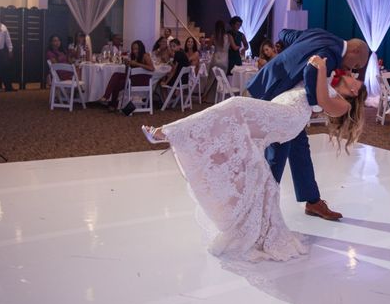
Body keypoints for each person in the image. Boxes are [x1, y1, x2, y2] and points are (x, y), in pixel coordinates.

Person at [141, 54, 366, 261]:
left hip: (288, 116)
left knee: (235, 105)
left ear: (355, 92)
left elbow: (322, 100)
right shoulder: (327, 81)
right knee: (241, 149)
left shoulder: (343, 104)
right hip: (278, 109)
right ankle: (250, 223)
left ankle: (168, 132)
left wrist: (322, 67)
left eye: (357, 82)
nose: (354, 77)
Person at [247, 28, 370, 221]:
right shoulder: (332, 54)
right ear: (354, 51)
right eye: (356, 65)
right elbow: (310, 70)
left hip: (276, 90)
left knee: (300, 149)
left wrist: (290, 58)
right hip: (278, 100)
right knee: (276, 155)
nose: (352, 70)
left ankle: (312, 201)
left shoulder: (320, 33)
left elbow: (285, 33)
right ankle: (260, 207)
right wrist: (313, 104)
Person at [101, 40, 154, 111]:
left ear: (141, 48)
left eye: (136, 49)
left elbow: (152, 68)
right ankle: (109, 100)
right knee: (116, 77)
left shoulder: (145, 55)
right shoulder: (133, 56)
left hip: (141, 80)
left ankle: (111, 102)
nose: (135, 51)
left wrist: (137, 64)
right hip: (132, 78)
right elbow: (128, 72)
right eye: (133, 49)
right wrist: (128, 65)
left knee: (118, 82)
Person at [203, 20, 230, 102]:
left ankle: (205, 97)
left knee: (211, 79)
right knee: (221, 79)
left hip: (216, 58)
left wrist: (205, 45)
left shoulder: (214, 36)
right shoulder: (228, 36)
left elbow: (208, 47)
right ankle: (219, 98)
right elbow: (233, 47)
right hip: (225, 60)